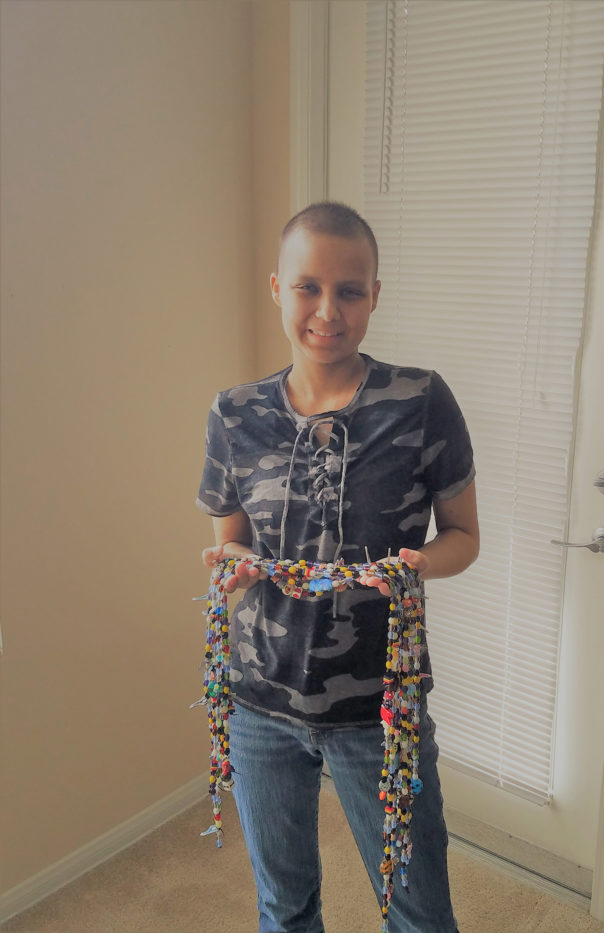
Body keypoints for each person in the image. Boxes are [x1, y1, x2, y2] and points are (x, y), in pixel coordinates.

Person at [196, 201, 479, 933]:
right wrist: (234, 563)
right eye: (308, 287)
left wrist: (416, 563)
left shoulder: (420, 402)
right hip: (258, 703)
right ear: (276, 288)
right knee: (284, 909)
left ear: (375, 295)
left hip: (379, 713)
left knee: (419, 914)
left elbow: (463, 536)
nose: (328, 310)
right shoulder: (234, 413)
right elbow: (229, 537)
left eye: (350, 290)